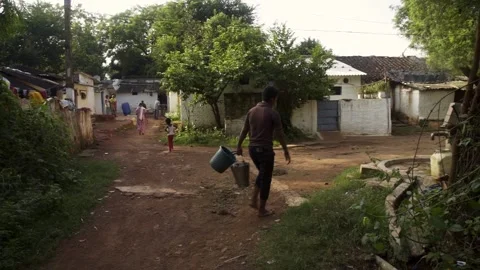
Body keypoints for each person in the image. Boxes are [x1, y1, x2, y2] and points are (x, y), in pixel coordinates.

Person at [237, 86, 291, 217]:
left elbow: (244, 130)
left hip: (252, 150)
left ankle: (254, 200)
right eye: (276, 99)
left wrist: (239, 145)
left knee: (262, 173)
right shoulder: (273, 113)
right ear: (273, 99)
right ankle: (261, 209)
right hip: (265, 150)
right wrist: (285, 150)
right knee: (266, 178)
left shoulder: (251, 111)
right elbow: (280, 133)